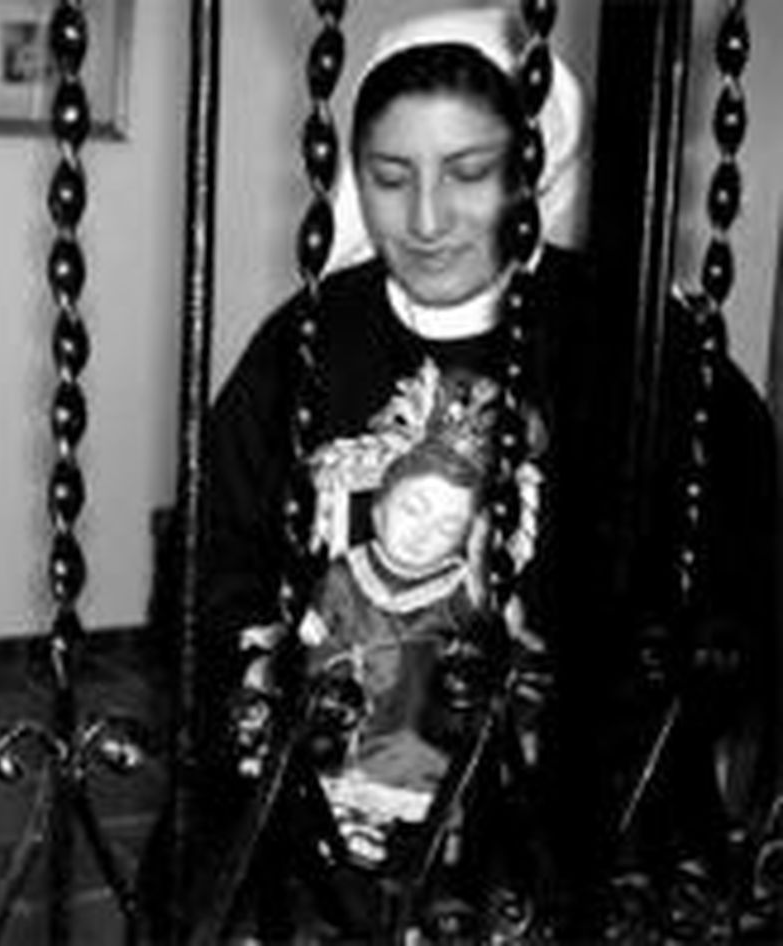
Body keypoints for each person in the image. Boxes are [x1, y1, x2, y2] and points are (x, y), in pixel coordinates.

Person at [192, 7, 775, 940]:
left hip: (563, 837)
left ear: (528, 169)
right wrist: (264, 671)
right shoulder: (301, 341)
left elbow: (737, 562)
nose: (425, 220)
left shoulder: (630, 338)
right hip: (330, 818)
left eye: (467, 173)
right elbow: (214, 550)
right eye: (390, 177)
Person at [299, 363, 499, 870]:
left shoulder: (456, 586)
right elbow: (318, 631)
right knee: (325, 721)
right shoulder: (349, 571)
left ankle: (410, 827)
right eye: (414, 510)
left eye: (448, 524)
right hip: (351, 693)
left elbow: (482, 634)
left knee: (419, 735)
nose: (426, 532)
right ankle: (341, 815)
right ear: (381, 508)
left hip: (419, 707)